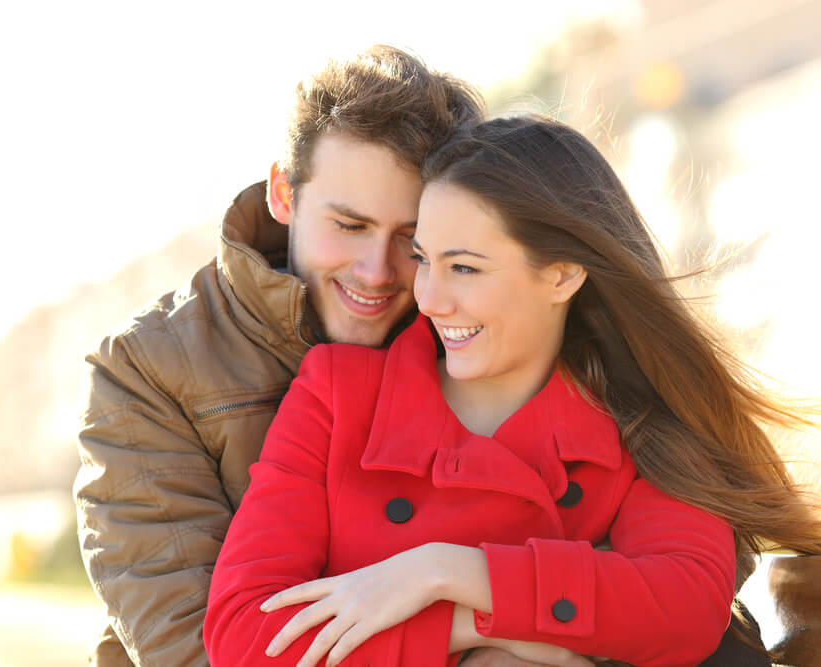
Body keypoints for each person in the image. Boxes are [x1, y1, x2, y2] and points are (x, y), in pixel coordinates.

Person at [204, 115, 821, 666]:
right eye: (424, 259)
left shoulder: (641, 422)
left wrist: (447, 569)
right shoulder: (340, 393)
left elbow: (685, 608)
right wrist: (475, 629)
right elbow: (243, 636)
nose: (429, 298)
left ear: (562, 273)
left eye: (465, 267)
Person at [74, 45, 505, 666]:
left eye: (411, 238)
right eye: (350, 226)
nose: (377, 271)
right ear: (284, 192)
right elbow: (193, 651)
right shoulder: (146, 368)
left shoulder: (476, 339)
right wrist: (472, 632)